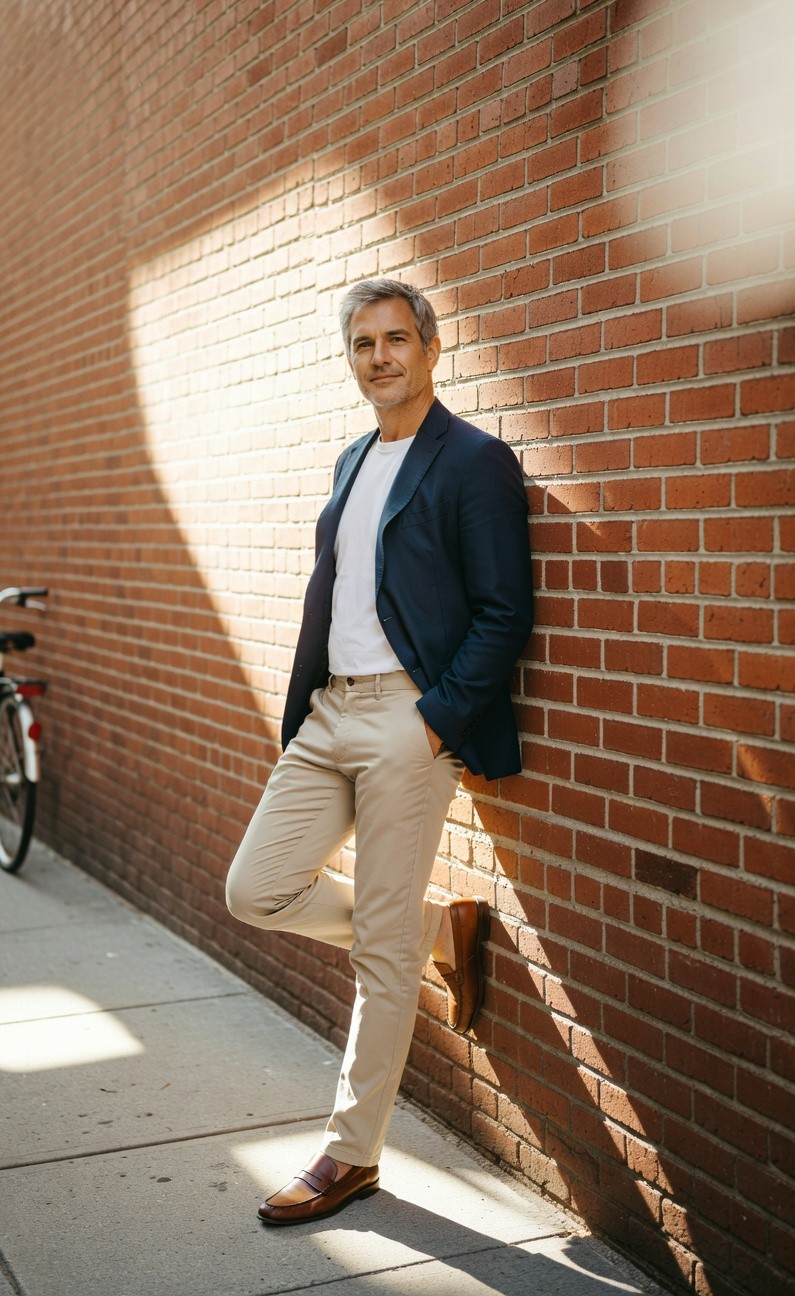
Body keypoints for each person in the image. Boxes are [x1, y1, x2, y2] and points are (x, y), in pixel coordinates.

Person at [225, 278, 533, 1225]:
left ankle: (350, 1156)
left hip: (410, 719)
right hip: (329, 716)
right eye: (363, 344)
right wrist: (311, 703)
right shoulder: (351, 458)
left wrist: (435, 720)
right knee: (256, 888)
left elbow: (503, 609)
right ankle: (437, 932)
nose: (381, 358)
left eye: (397, 339)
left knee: (379, 961)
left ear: (431, 349)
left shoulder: (476, 461)